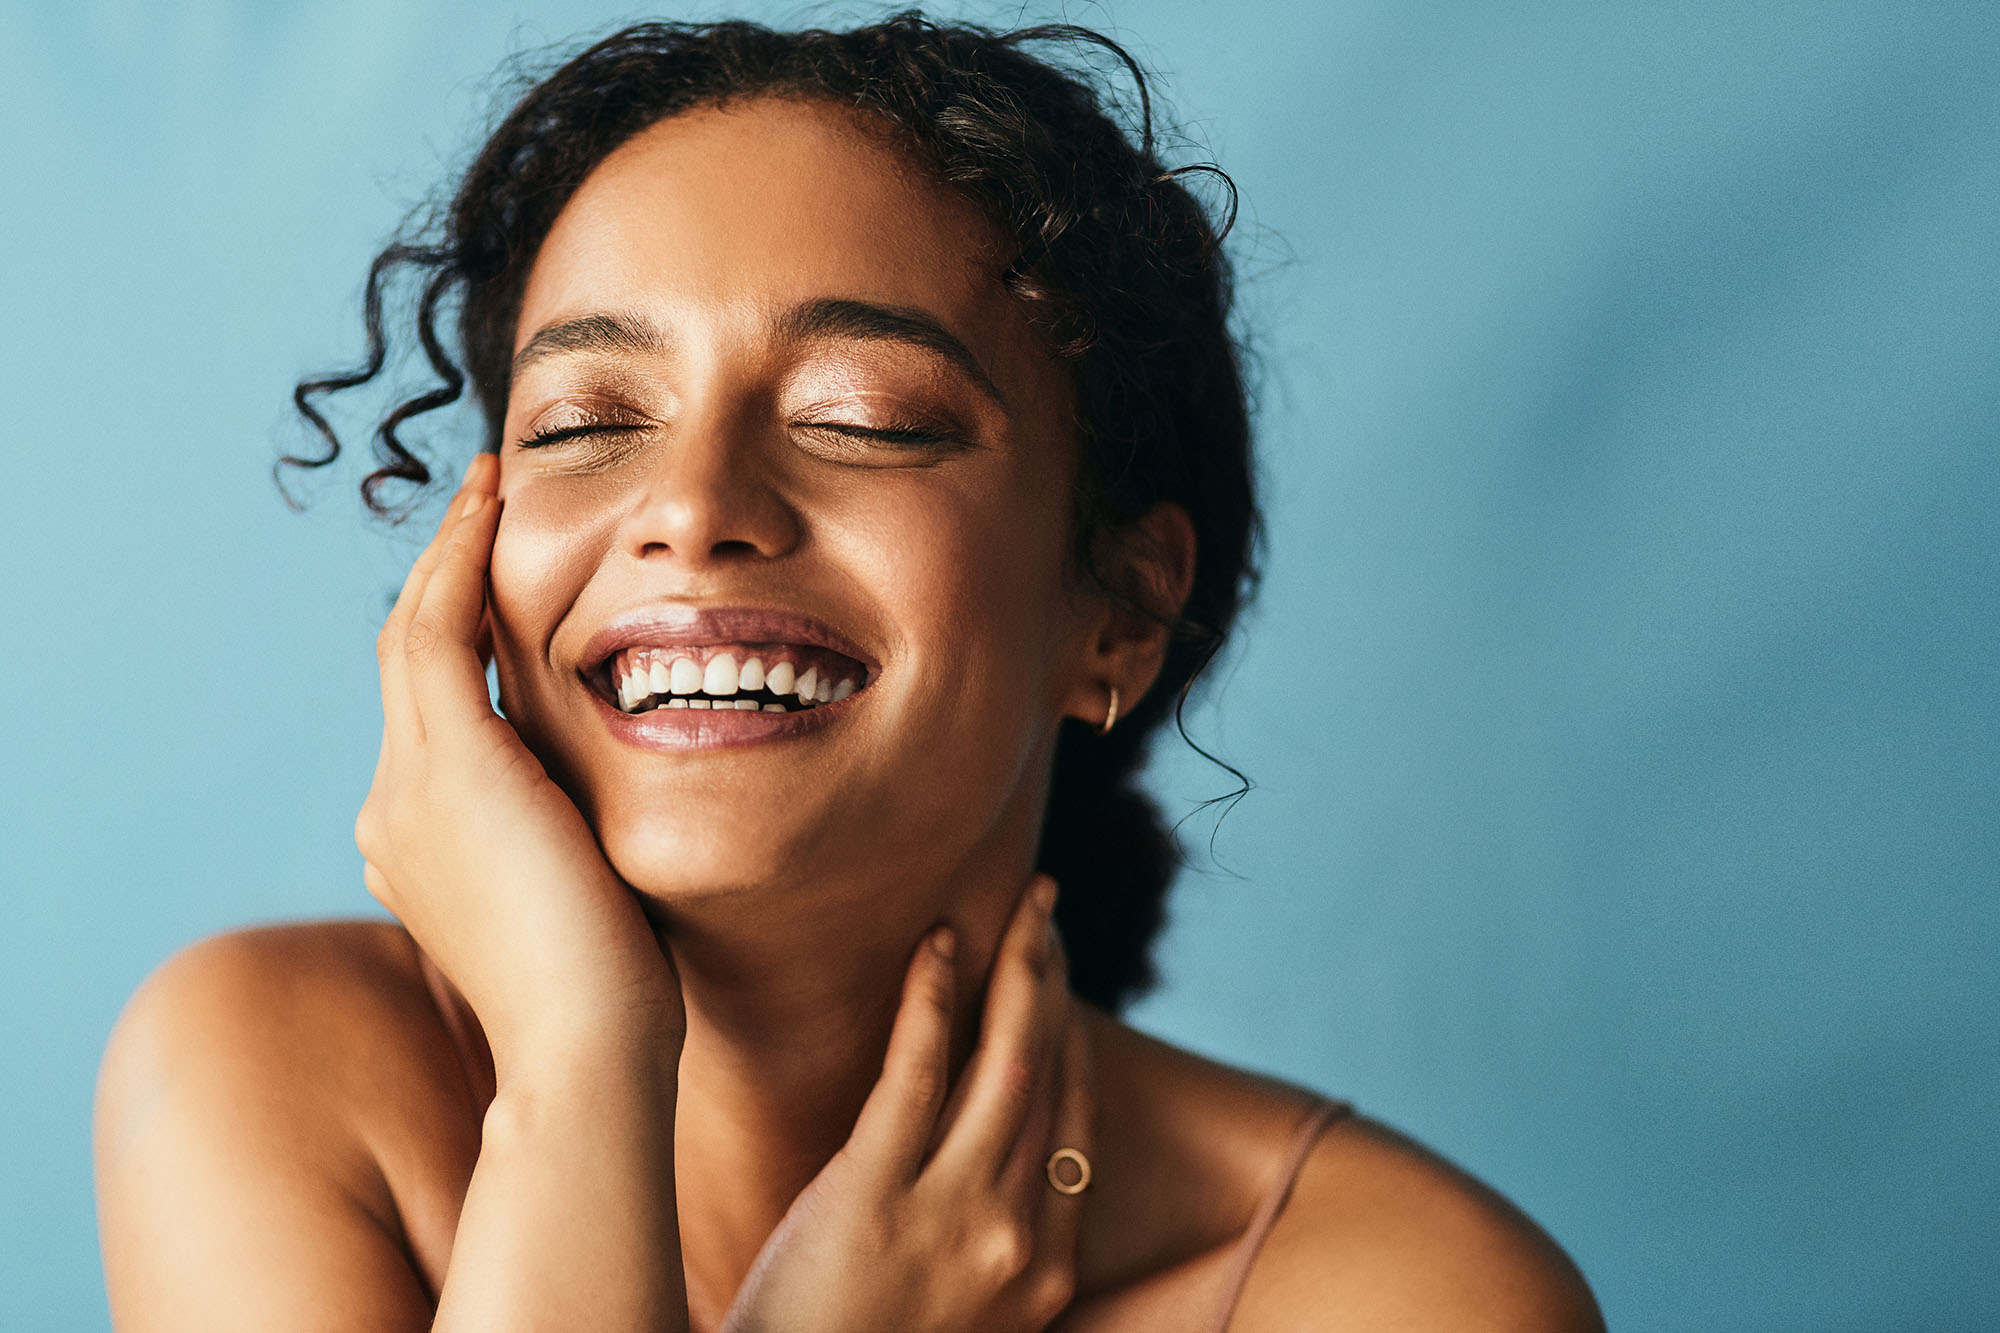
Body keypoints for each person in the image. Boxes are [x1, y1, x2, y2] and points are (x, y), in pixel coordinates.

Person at [92, 15, 1602, 1330]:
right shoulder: (269, 1073)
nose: (690, 506)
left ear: (1121, 613)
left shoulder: (1405, 1292)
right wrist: (579, 1057)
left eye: (868, 416)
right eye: (581, 422)